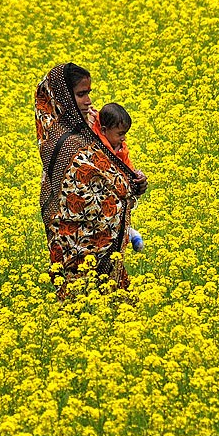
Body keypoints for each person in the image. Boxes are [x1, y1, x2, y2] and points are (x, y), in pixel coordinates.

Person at [34, 63, 148, 299]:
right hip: (73, 240)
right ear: (63, 97)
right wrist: (125, 187)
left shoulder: (92, 123)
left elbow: (113, 164)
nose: (88, 101)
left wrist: (134, 181)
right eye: (80, 94)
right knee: (78, 302)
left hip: (104, 244)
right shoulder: (61, 139)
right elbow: (80, 185)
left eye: (88, 93)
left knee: (116, 304)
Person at [92, 102, 146, 252]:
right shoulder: (95, 142)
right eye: (120, 134)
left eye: (125, 134)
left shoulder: (121, 148)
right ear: (104, 130)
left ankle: (128, 231)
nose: (123, 138)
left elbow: (128, 167)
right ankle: (129, 232)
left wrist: (136, 176)